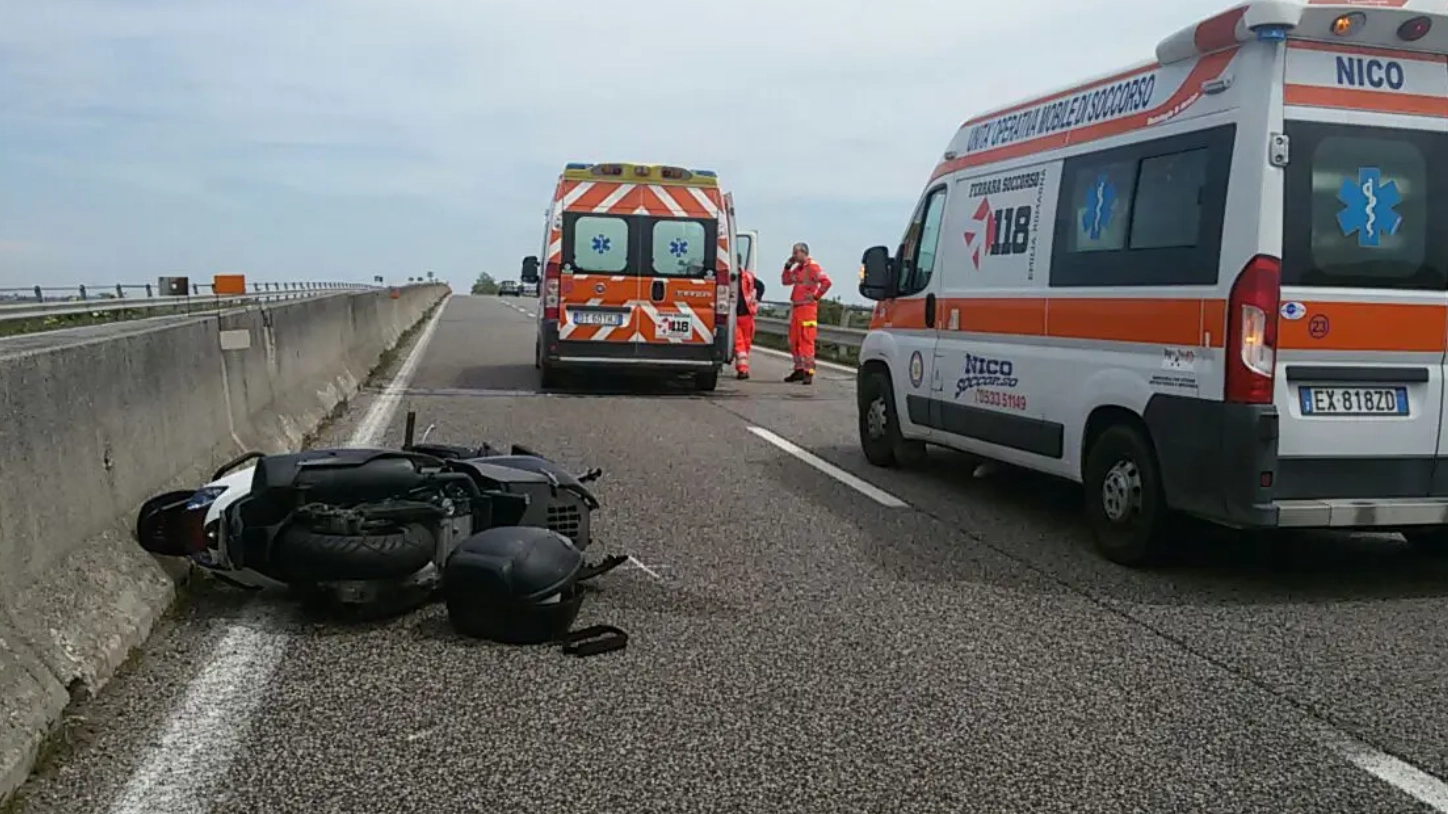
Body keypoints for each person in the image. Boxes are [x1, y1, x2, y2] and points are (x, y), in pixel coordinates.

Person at [781, 242, 831, 384]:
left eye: (796, 253)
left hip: (808, 309)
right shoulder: (798, 269)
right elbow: (785, 281)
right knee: (794, 341)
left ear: (804, 252)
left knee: (806, 341)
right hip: (797, 309)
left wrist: (816, 296)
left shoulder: (813, 267)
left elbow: (826, 282)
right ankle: (799, 370)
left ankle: (809, 372)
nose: (794, 255)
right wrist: (787, 266)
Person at [734, 265, 765, 380]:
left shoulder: (747, 277)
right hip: (736, 316)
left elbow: (761, 286)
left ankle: (743, 367)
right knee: (740, 344)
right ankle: (742, 369)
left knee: (745, 344)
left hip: (746, 315)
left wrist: (757, 299)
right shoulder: (742, 277)